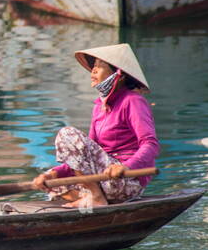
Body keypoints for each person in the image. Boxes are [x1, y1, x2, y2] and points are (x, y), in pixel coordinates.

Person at [33, 44, 159, 208]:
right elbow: (83, 157)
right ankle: (91, 197)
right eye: (94, 66)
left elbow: (150, 144)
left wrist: (125, 167)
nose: (93, 71)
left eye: (100, 66)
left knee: (67, 134)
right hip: (102, 179)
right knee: (53, 182)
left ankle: (95, 197)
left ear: (118, 75)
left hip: (125, 181)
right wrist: (52, 173)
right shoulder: (99, 106)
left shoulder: (133, 101)